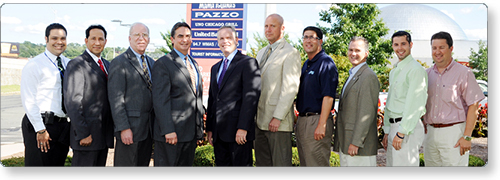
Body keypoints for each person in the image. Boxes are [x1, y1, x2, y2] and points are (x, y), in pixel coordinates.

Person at [423, 31, 485, 166]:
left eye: (441, 47)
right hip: (430, 134)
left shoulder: (464, 73)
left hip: (454, 134)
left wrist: (467, 136)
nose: (437, 51)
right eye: (434, 48)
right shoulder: (426, 74)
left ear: (451, 48)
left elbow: (473, 106)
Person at [206, 25, 261, 166]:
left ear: (236, 40)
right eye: (221, 38)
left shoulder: (248, 63)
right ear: (218, 42)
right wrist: (210, 129)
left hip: (238, 133)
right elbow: (213, 100)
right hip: (219, 135)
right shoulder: (215, 68)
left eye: (228, 38)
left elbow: (251, 97)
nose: (225, 41)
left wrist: (243, 128)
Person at [152, 22, 204, 166]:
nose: (184, 39)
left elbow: (196, 97)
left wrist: (199, 129)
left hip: (190, 134)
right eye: (180, 36)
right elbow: (160, 100)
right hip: (171, 134)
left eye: (188, 36)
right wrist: (168, 130)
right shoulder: (163, 63)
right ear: (172, 39)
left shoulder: (193, 63)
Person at [20, 23, 71, 166]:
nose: (59, 42)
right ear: (46, 39)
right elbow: (28, 99)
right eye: (54, 38)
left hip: (62, 127)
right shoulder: (34, 65)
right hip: (41, 125)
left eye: (63, 38)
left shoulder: (69, 64)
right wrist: (40, 129)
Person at [63, 25, 114, 166]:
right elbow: (73, 102)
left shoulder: (108, 65)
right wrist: (83, 133)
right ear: (86, 41)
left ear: (105, 41)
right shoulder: (77, 64)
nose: (97, 43)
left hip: (102, 137)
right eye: (93, 39)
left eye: (101, 39)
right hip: (86, 137)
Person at [254, 14, 301, 166]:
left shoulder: (290, 53)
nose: (268, 29)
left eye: (273, 26)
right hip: (259, 121)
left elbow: (290, 88)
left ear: (282, 28)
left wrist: (278, 117)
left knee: (280, 166)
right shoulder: (261, 52)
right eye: (266, 26)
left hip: (277, 123)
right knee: (263, 165)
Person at [108, 22, 155, 166]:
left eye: (145, 35)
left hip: (148, 130)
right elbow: (116, 99)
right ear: (129, 38)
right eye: (137, 35)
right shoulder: (119, 62)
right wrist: (123, 128)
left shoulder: (152, 63)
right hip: (129, 130)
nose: (141, 38)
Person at [382, 31, 427, 166]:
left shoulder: (416, 70)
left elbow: (414, 104)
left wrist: (401, 132)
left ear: (410, 45)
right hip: (394, 127)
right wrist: (387, 130)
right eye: (396, 44)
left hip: (407, 129)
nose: (399, 48)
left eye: (403, 44)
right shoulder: (395, 71)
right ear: (392, 46)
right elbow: (391, 102)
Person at [333, 36, 380, 167]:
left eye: (357, 50)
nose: (353, 54)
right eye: (350, 50)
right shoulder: (353, 74)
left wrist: (356, 142)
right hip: (347, 143)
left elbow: (367, 113)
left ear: (366, 53)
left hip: (358, 147)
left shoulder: (368, 76)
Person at [295, 26, 338, 166]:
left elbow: (328, 96)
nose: (308, 40)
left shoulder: (326, 63)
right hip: (303, 121)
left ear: (320, 41)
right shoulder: (307, 63)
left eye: (312, 37)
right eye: (305, 37)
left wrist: (322, 124)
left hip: (316, 120)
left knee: (316, 165)